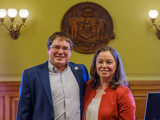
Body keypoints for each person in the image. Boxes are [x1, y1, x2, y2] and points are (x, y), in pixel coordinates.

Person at [16, 31, 90, 120]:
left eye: (65, 48)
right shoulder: (31, 75)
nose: (61, 52)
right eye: (56, 47)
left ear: (70, 51)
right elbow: (23, 113)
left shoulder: (81, 71)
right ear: (48, 49)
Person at [82, 46, 136, 120]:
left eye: (109, 62)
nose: (104, 66)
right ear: (95, 65)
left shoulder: (123, 92)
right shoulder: (88, 86)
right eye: (100, 62)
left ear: (116, 66)